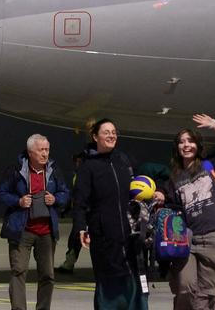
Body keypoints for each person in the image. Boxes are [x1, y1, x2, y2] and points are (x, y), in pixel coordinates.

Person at [153, 113, 215, 310]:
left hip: (214, 237)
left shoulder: (209, 164)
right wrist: (158, 193)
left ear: (197, 145)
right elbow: (163, 194)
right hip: (188, 240)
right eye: (182, 142)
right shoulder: (173, 179)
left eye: (190, 141)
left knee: (210, 294)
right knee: (184, 287)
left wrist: (214, 125)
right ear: (177, 148)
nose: (186, 145)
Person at [72, 118, 148, 310]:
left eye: (114, 132)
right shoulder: (87, 167)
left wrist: (153, 192)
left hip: (130, 237)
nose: (111, 135)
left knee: (134, 285)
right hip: (104, 238)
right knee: (109, 287)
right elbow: (79, 203)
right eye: (106, 132)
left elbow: (136, 188)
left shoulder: (123, 160)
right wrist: (81, 229)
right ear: (95, 136)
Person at [0, 134, 70, 310]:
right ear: (30, 152)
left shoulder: (53, 170)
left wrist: (56, 199)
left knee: (48, 275)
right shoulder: (15, 170)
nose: (45, 154)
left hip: (46, 231)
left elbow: (65, 193)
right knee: (19, 271)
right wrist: (18, 201)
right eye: (41, 150)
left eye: (47, 149)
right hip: (22, 230)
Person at [57, 151, 85, 274]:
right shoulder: (78, 175)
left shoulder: (86, 174)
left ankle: (69, 264)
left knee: (77, 238)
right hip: (79, 212)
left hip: (87, 213)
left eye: (79, 161)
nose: (77, 163)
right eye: (76, 161)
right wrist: (67, 208)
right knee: (74, 239)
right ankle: (69, 263)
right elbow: (74, 195)